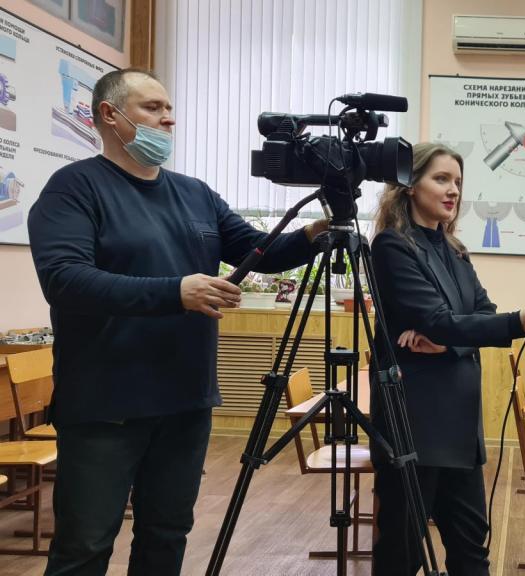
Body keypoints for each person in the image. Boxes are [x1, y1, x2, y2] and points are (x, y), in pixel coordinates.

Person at [27, 68, 327, 576]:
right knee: (86, 546)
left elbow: (258, 250)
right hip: (106, 404)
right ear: (110, 115)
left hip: (185, 400)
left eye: (169, 108)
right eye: (152, 108)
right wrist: (176, 292)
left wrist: (312, 234)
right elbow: (65, 280)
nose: (168, 119)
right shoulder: (74, 188)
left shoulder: (195, 194)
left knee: (167, 535)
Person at [368, 142, 525, 575]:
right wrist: (506, 324)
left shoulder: (455, 249)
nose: (453, 190)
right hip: (414, 426)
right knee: (401, 553)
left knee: (471, 550)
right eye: (441, 179)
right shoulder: (391, 247)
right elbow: (438, 319)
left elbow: (479, 315)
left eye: (457, 181)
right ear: (409, 184)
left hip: (460, 429)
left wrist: (448, 341)